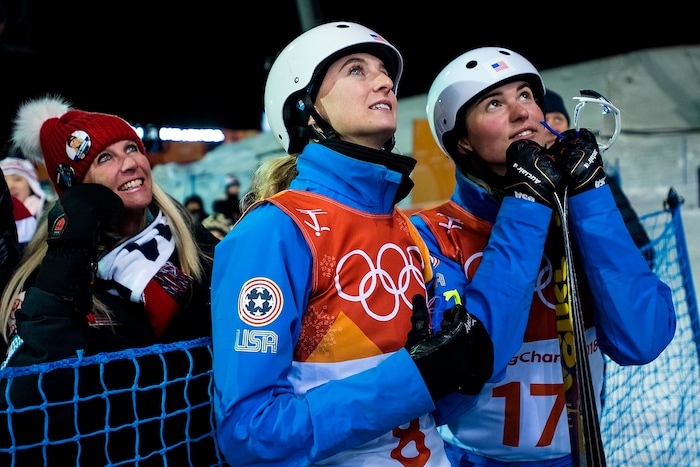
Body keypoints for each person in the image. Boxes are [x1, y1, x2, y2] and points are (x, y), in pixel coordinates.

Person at [211, 21, 509, 466]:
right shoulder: (276, 231)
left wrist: (460, 376)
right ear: (305, 109)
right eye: (356, 70)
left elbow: (433, 409)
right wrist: (414, 379)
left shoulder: (404, 229)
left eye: (384, 72)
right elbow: (250, 432)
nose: (385, 81)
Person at [415, 46, 676, 466]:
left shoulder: (581, 215)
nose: (522, 113)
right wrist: (526, 207)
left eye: (525, 95)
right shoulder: (432, 235)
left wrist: (589, 196)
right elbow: (466, 374)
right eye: (494, 103)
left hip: (581, 454)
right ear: (462, 141)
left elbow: (641, 341)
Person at [0, 95, 223, 466]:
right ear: (75, 188)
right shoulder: (48, 279)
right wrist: (68, 255)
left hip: (206, 451)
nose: (131, 163)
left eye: (132, 147)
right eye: (105, 158)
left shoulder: (199, 248)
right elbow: (24, 403)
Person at [544, 88, 654, 265]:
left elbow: (638, 241)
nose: (552, 128)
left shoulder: (596, 175)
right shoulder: (529, 183)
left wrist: (632, 264)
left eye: (558, 118)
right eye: (545, 121)